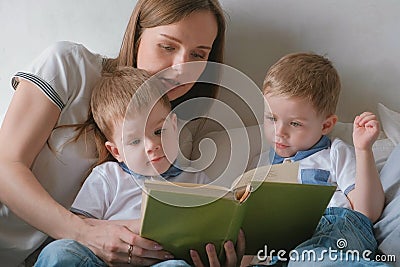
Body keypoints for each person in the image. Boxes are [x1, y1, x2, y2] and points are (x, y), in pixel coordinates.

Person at [0, 0, 245, 266]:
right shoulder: (71, 66)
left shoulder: (175, 139)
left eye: (197, 55)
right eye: (167, 46)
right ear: (137, 37)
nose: (181, 68)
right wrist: (85, 233)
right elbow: (5, 165)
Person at [35, 67, 220, 266]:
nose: (151, 146)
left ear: (174, 126)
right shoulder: (108, 176)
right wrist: (132, 227)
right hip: (106, 262)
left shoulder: (197, 179)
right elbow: (81, 225)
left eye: (159, 131)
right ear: (116, 152)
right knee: (58, 252)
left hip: (163, 262)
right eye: (134, 141)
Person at [249, 52, 387, 266]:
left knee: (306, 260)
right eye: (271, 118)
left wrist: (363, 150)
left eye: (294, 123)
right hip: (283, 247)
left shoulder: (335, 153)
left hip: (334, 226)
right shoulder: (261, 164)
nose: (279, 132)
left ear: (326, 125)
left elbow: (367, 212)